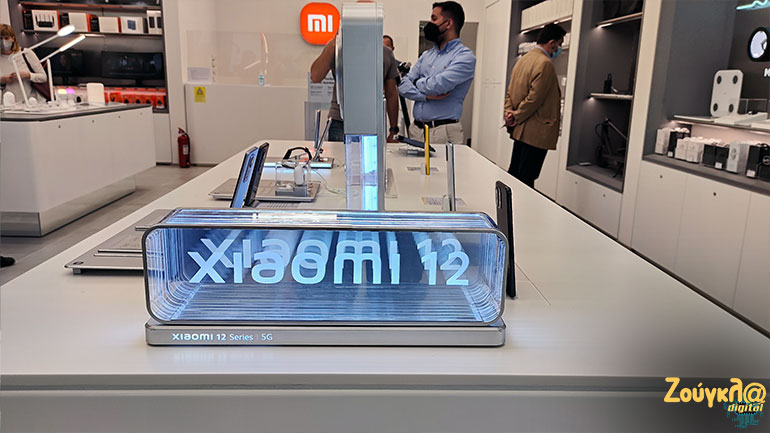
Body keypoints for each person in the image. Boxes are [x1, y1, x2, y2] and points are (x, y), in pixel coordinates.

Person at [398, 1, 475, 146]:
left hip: (443, 132)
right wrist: (425, 96)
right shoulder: (426, 55)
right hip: (416, 131)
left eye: (434, 18)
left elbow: (438, 86)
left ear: (448, 23)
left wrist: (416, 82)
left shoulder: (465, 57)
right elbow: (402, 86)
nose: (430, 23)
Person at [503, 23, 566, 188]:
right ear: (552, 43)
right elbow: (534, 98)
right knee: (526, 179)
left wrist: (509, 113)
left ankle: (509, 203)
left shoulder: (523, 60)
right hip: (535, 132)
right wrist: (516, 115)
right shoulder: (545, 63)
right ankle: (523, 205)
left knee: (516, 174)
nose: (558, 49)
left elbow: (510, 91)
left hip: (520, 130)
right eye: (559, 44)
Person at [310, 33, 400, 143]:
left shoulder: (385, 53)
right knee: (339, 154)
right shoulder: (337, 48)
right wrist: (334, 43)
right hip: (340, 119)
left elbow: (391, 94)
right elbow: (315, 76)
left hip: (371, 122)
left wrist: (393, 130)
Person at [0, 24, 47, 103]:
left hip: (31, 102)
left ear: (13, 38)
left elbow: (43, 77)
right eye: (0, 38)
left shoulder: (25, 53)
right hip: (7, 104)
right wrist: (1, 80)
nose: (3, 41)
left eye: (6, 38)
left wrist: (27, 75)